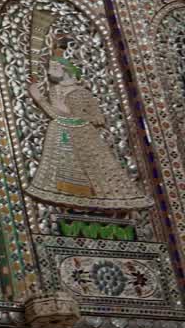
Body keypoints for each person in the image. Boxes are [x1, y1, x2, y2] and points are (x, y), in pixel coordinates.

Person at [25, 53, 151, 210]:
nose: (49, 72)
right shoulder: (55, 90)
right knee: (63, 169)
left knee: (96, 174)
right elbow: (60, 115)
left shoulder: (81, 93)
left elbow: (93, 117)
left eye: (54, 68)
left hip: (82, 135)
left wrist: (39, 99)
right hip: (62, 134)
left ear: (65, 69)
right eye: (50, 68)